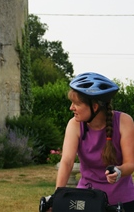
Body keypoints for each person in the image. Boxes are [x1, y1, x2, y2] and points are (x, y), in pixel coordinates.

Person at [54, 72, 134, 211]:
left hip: (122, 201)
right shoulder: (74, 125)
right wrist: (57, 197)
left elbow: (130, 164)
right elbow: (67, 162)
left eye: (76, 103)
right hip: (86, 199)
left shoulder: (124, 122)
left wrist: (119, 171)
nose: (71, 108)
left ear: (94, 106)